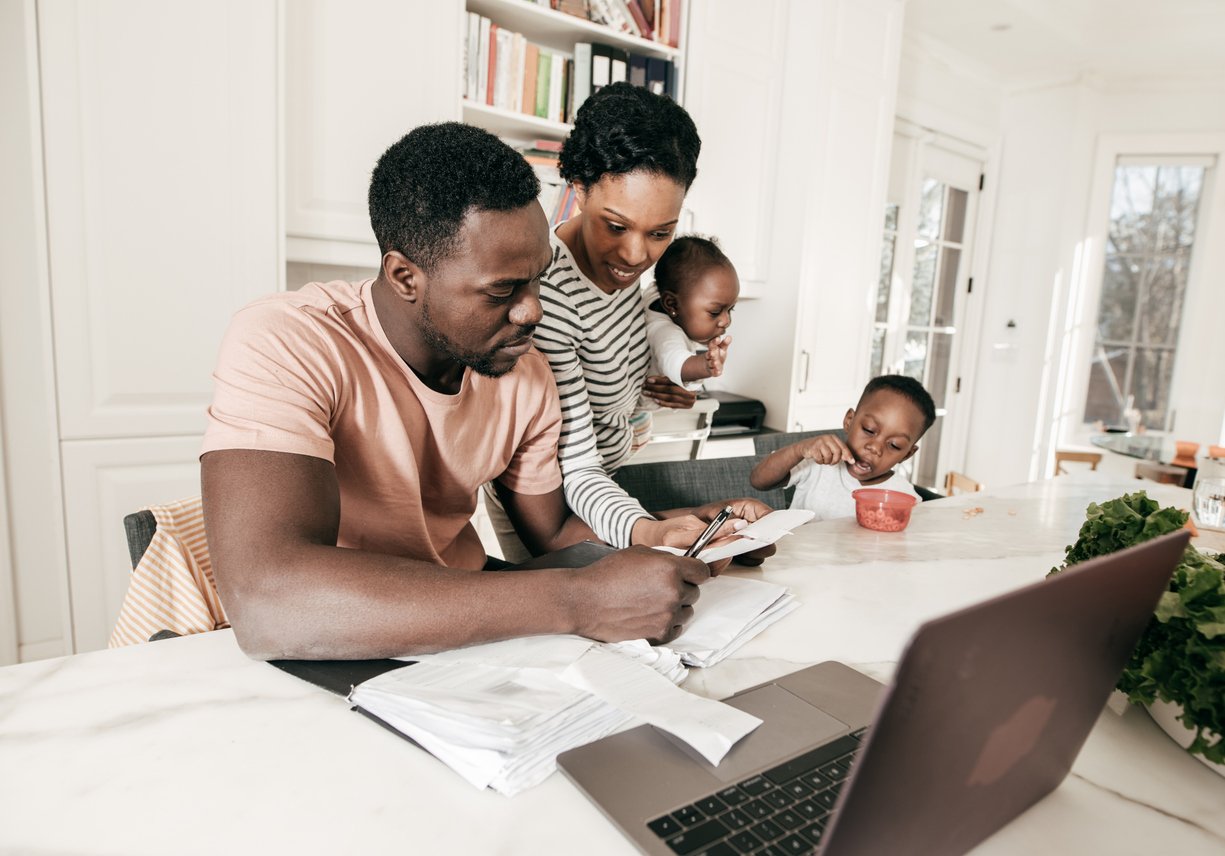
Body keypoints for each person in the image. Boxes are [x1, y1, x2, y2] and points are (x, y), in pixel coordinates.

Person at [200, 122, 716, 661]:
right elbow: (267, 603)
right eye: (502, 289)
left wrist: (666, 536)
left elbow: (556, 534)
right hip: (323, 648)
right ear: (404, 276)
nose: (532, 310)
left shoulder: (525, 373)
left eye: (538, 279)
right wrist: (576, 601)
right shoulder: (289, 339)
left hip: (461, 638)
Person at [515, 82, 764, 557]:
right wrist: (654, 532)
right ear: (580, 188)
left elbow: (629, 351)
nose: (635, 255)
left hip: (608, 494)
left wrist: (650, 383)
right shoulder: (549, 300)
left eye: (660, 233)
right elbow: (577, 470)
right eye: (616, 226)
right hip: (560, 518)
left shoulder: (631, 276)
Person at [750, 375, 936, 521]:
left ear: (908, 454)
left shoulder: (903, 496)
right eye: (869, 430)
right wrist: (800, 450)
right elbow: (759, 480)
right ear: (849, 421)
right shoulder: (818, 464)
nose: (875, 448)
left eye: (894, 445)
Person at [638, 234, 738, 406]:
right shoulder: (665, 332)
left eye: (730, 309)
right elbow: (676, 361)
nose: (726, 321)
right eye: (715, 312)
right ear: (671, 305)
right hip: (638, 420)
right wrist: (705, 365)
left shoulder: (656, 294)